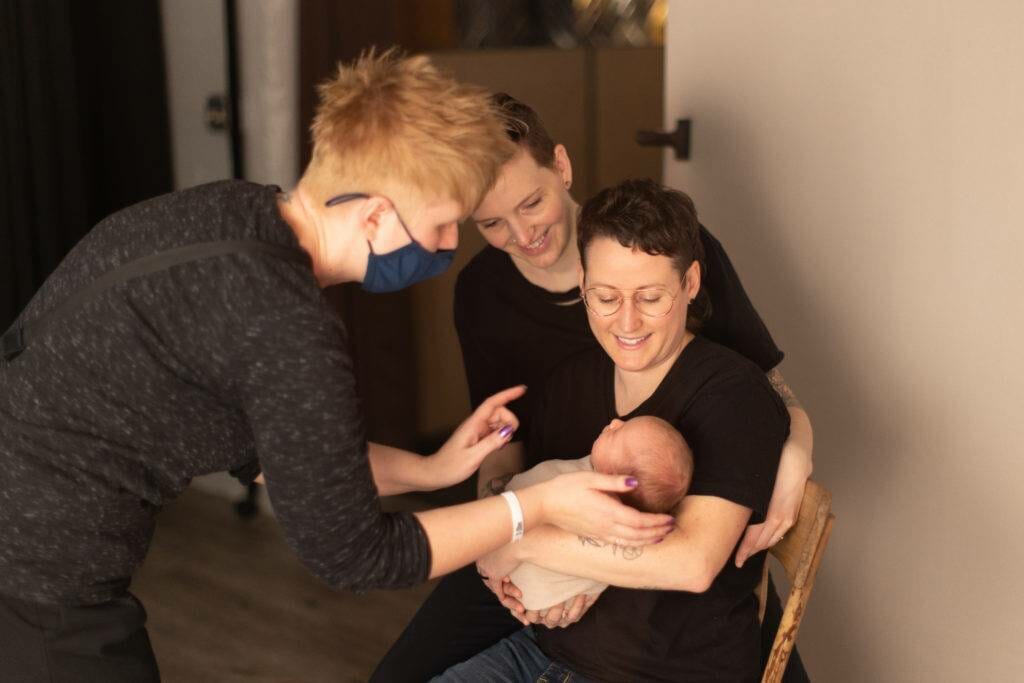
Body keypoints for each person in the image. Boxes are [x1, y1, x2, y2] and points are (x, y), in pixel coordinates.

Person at [0, 52, 674, 682]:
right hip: (35, 570)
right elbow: (357, 553)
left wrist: (432, 468)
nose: (448, 245)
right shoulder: (290, 326)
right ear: (377, 215)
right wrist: (532, 506)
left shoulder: (231, 213)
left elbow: (275, 453)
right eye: (443, 224)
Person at [372, 95, 813, 682]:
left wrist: (797, 448)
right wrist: (507, 547)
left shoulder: (671, 251)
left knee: (724, 619)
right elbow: (503, 433)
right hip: (541, 510)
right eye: (493, 222)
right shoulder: (486, 297)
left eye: (532, 203)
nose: (524, 233)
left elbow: (760, 391)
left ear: (561, 165)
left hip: (674, 541)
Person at [436, 178, 791, 682]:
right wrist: (518, 589)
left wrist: (518, 544)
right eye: (605, 297)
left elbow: (691, 563)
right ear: (582, 283)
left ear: (690, 283)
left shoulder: (733, 395)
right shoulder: (569, 383)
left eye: (650, 297)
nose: (626, 322)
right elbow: (527, 495)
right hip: (543, 654)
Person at [505, 415, 694, 611]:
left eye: (616, 433)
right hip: (530, 595)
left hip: (524, 579)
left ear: (612, 477)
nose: (615, 422)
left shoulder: (581, 489)